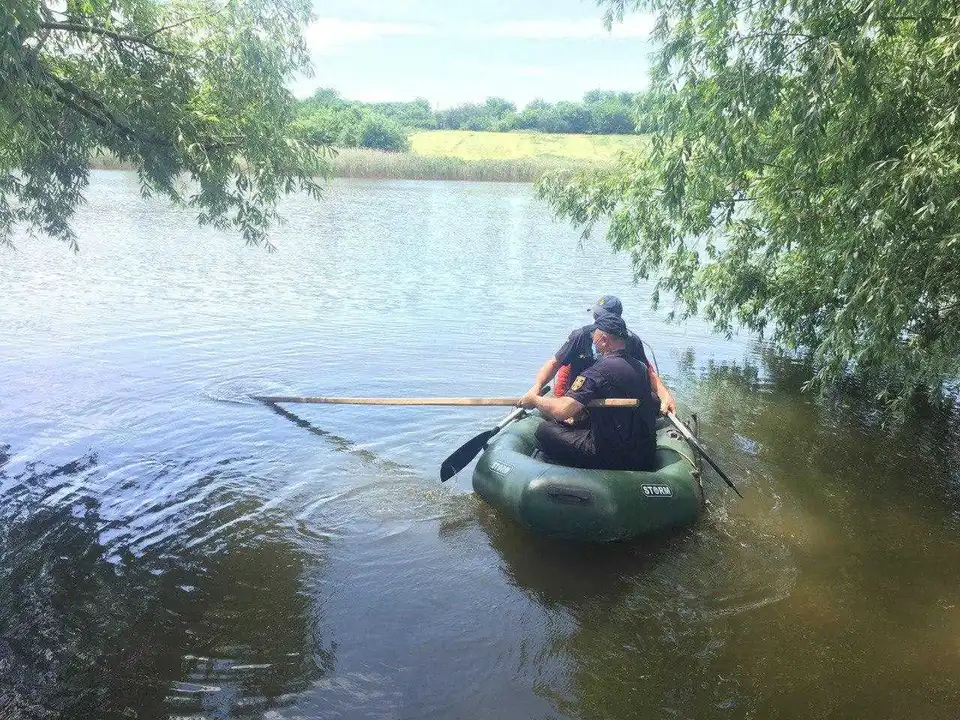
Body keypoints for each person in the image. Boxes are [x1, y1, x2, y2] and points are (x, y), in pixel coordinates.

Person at [519, 312, 660, 470]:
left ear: (604, 340)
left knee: (544, 431)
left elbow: (562, 410)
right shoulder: (641, 369)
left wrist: (535, 400)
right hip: (644, 456)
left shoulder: (597, 371)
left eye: (595, 336)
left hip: (608, 455)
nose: (593, 340)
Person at [524, 295, 677, 415]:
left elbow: (647, 372)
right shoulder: (581, 336)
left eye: (600, 316)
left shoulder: (630, 341)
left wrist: (665, 396)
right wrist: (537, 387)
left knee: (653, 402)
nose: (596, 319)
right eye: (596, 315)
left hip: (617, 402)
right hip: (581, 400)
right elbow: (555, 363)